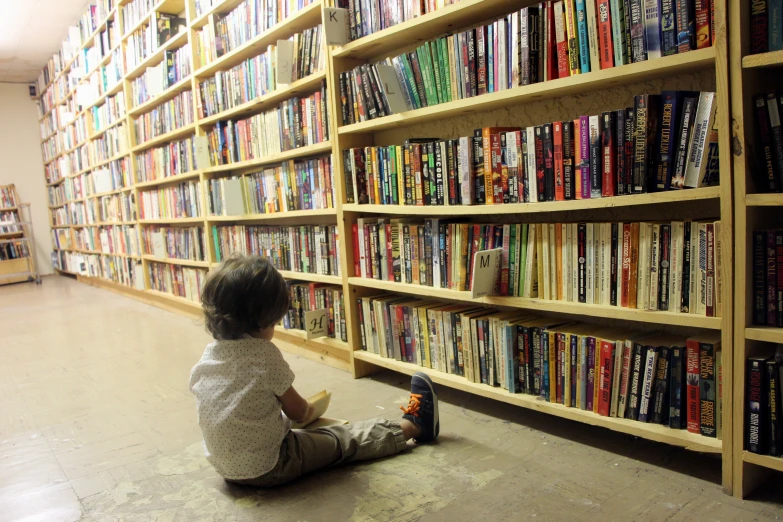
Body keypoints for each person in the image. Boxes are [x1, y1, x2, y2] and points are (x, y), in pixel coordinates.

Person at [189, 254, 439, 487]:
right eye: (275, 321)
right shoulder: (264, 355)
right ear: (261, 320)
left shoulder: (208, 356)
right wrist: (309, 410)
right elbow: (298, 412)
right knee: (341, 439)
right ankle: (415, 426)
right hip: (271, 465)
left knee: (305, 436)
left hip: (226, 467)